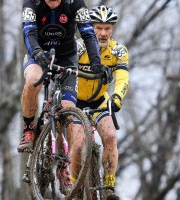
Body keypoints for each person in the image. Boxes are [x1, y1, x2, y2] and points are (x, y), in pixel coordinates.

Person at [18, 0, 102, 188]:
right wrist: (38, 52)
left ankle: (65, 165)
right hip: (37, 54)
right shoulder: (32, 3)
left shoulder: (76, 3)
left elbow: (87, 32)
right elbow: (28, 31)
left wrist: (96, 61)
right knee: (32, 81)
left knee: (69, 110)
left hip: (67, 58)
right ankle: (29, 128)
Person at [74, 5, 129, 200]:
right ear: (90, 27)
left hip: (99, 100)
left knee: (111, 137)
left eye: (108, 28)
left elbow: (123, 77)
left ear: (112, 29)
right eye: (99, 28)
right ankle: (75, 188)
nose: (103, 33)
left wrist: (117, 98)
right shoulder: (79, 46)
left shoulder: (118, 51)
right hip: (75, 101)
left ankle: (109, 185)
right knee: (78, 146)